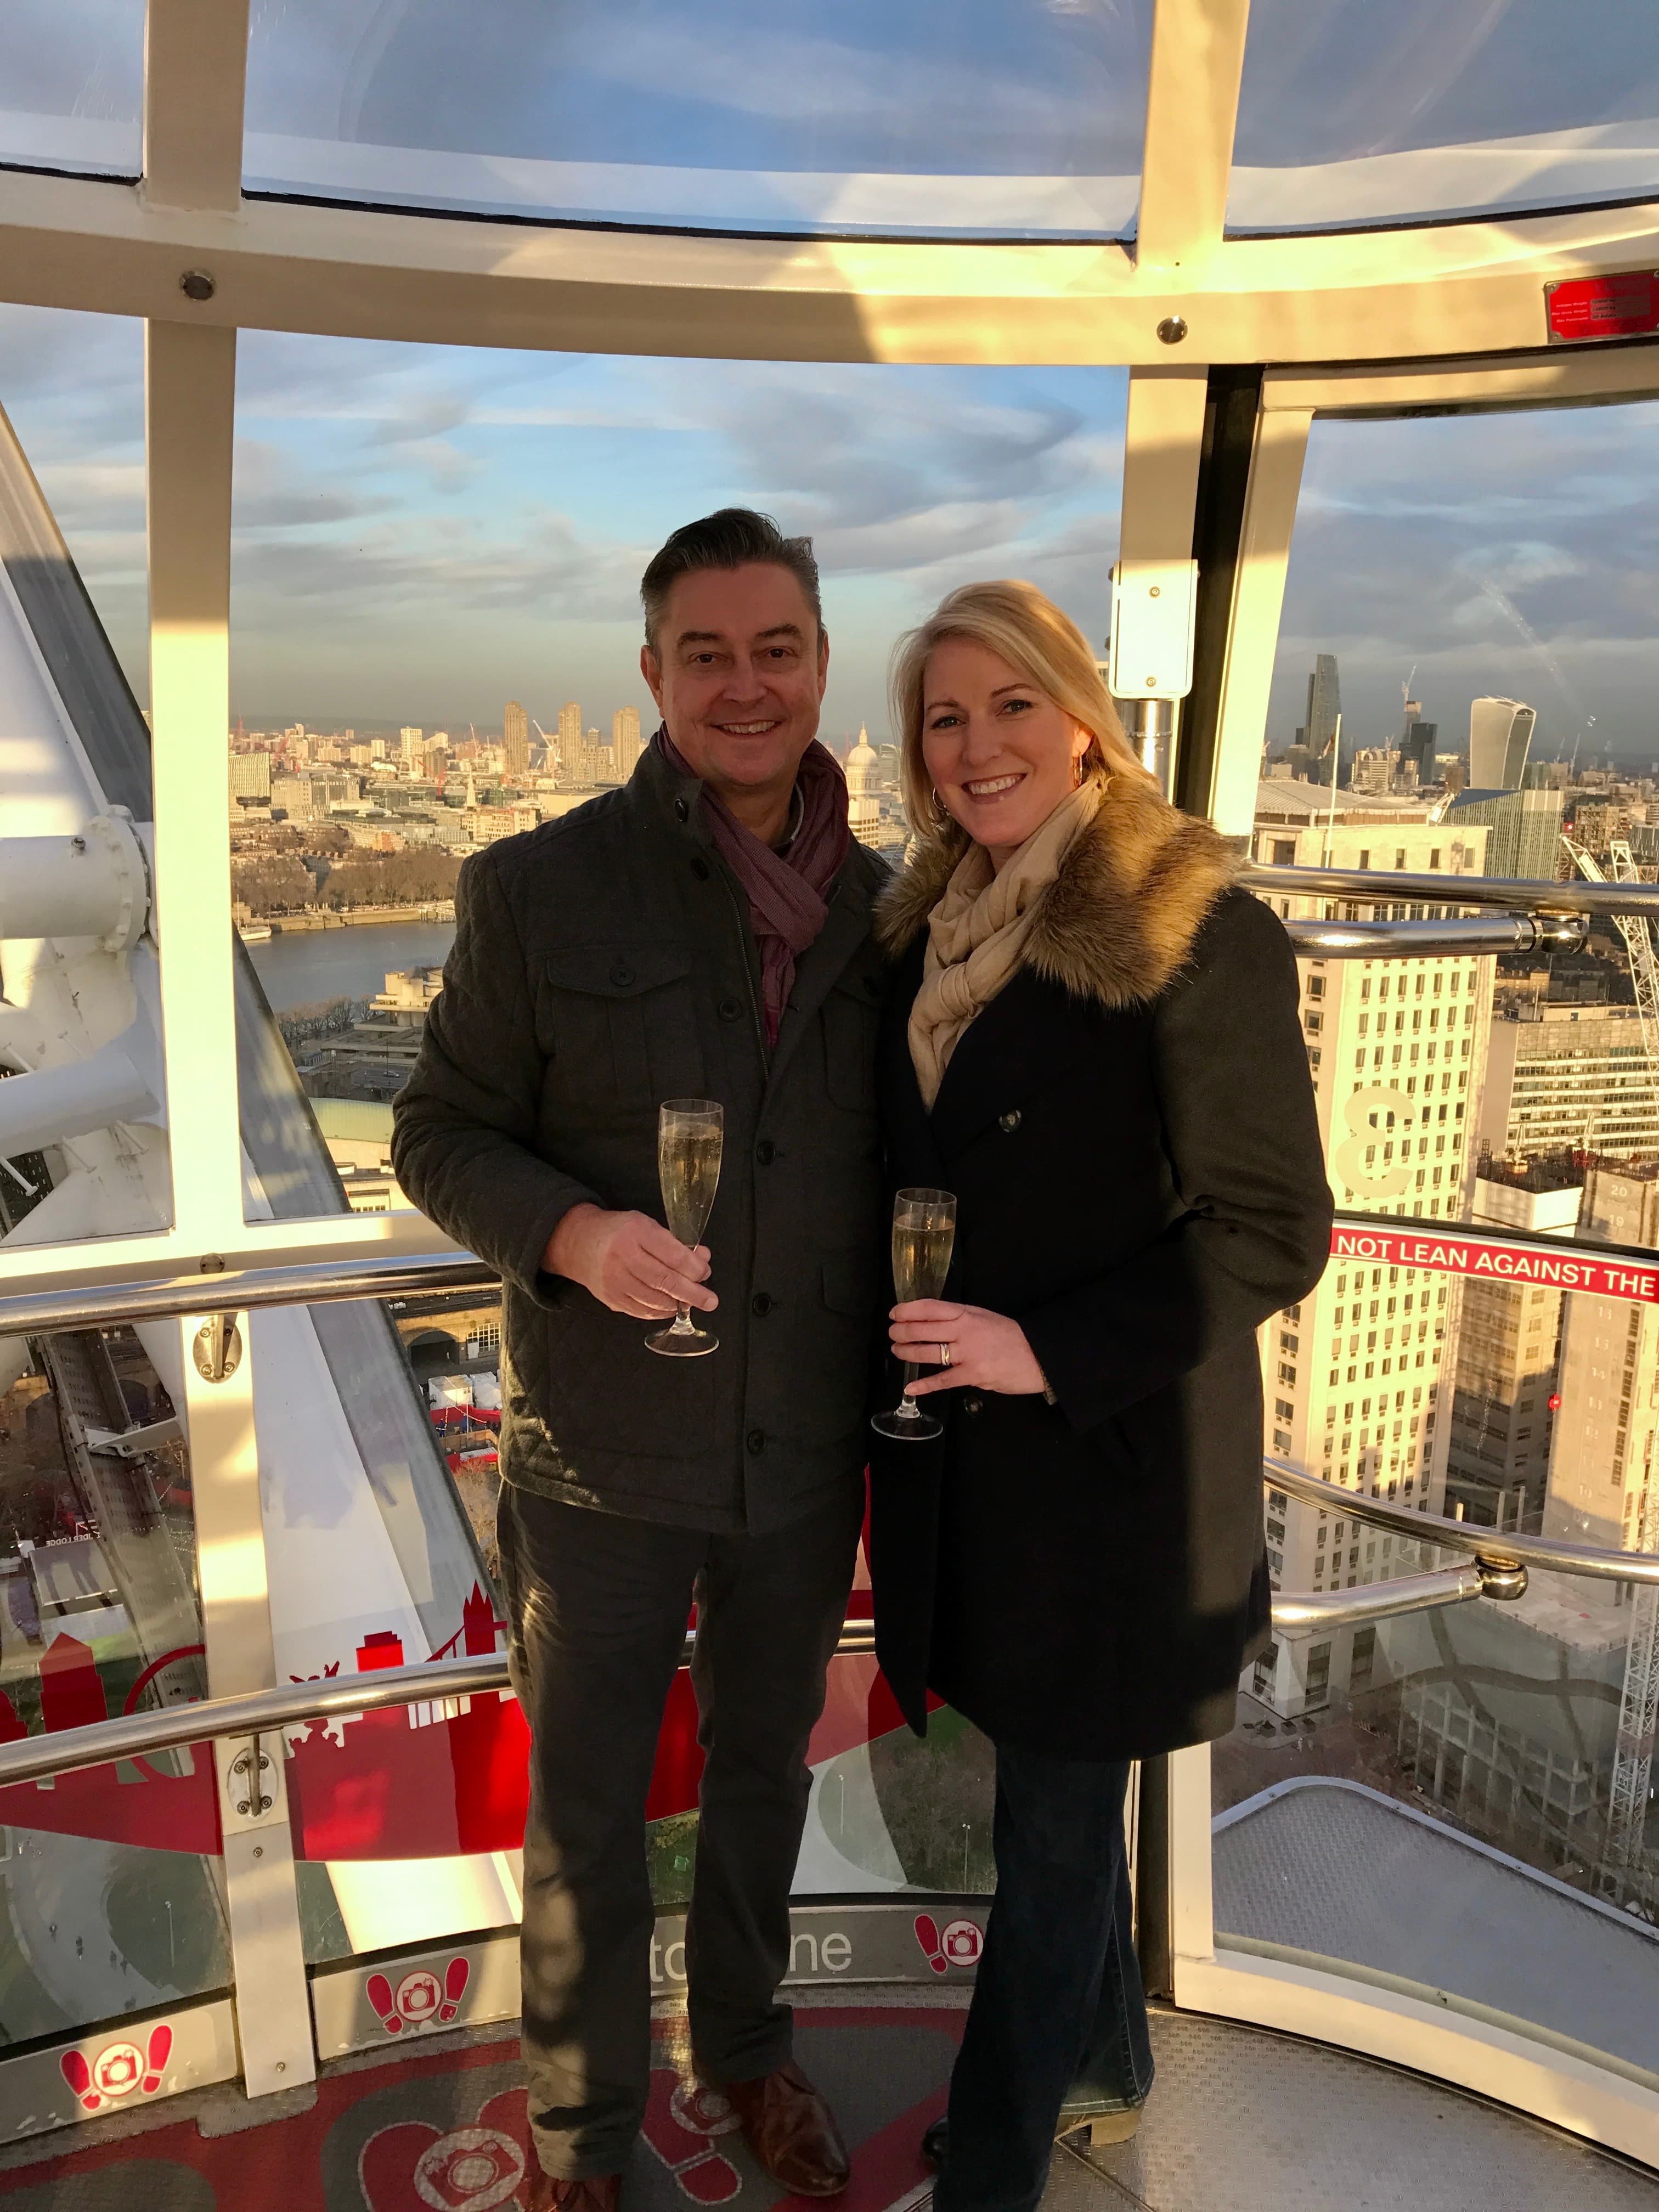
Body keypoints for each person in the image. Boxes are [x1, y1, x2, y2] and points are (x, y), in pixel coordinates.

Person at [392, 510, 891, 2208]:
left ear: (822, 664)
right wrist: (572, 1236)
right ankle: (583, 2143)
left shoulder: (890, 918)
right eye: (706, 654)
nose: (744, 688)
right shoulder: (537, 887)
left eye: (776, 650)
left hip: (801, 1452)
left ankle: (746, 2056)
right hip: (599, 1458)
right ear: (653, 674)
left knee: (764, 1777)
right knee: (589, 1818)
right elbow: (439, 1130)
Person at [866, 580, 1332, 2212]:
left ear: (1083, 719)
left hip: (1113, 1470)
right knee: (1055, 1795)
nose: (979, 744)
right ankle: (1114, 2062)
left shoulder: (1189, 931)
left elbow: (1275, 1226)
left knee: (1054, 1840)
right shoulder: (928, 927)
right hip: (986, 1475)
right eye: (945, 716)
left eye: (1013, 705)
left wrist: (1040, 1348)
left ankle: (993, 2173)